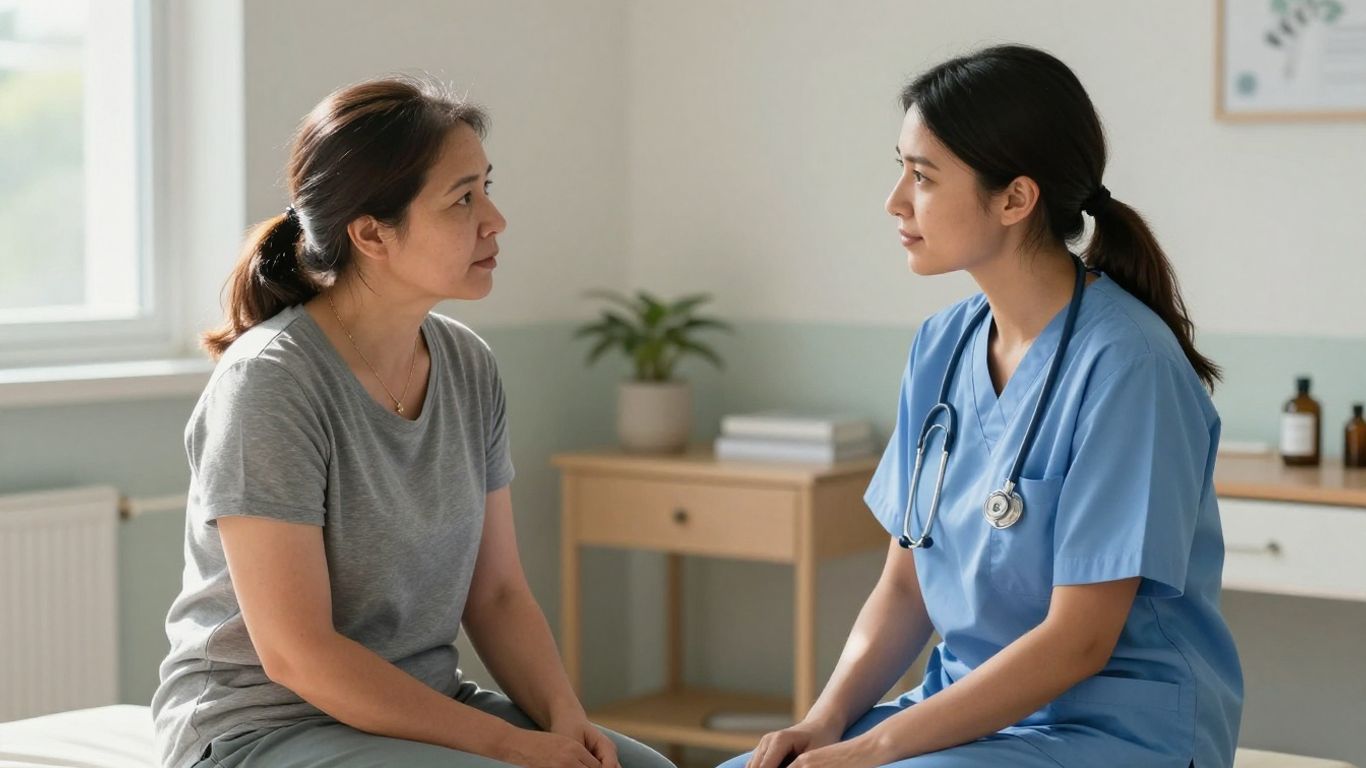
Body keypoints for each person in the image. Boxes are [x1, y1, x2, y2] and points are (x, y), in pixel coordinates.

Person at [719, 44, 1243, 768]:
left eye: (922, 176)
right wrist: (825, 722)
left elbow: (1080, 641)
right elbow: (906, 586)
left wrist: (873, 749)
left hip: (1114, 730)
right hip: (964, 716)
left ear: (1015, 199)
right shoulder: (941, 345)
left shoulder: (1129, 366)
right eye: (901, 169)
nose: (895, 200)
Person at [152, 75, 675, 768]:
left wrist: (564, 719)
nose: (495, 219)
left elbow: (498, 595)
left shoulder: (467, 365)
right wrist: (510, 745)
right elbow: (297, 653)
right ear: (371, 233)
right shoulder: (270, 383)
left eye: (487, 187)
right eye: (463, 199)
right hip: (261, 729)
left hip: (419, 711)